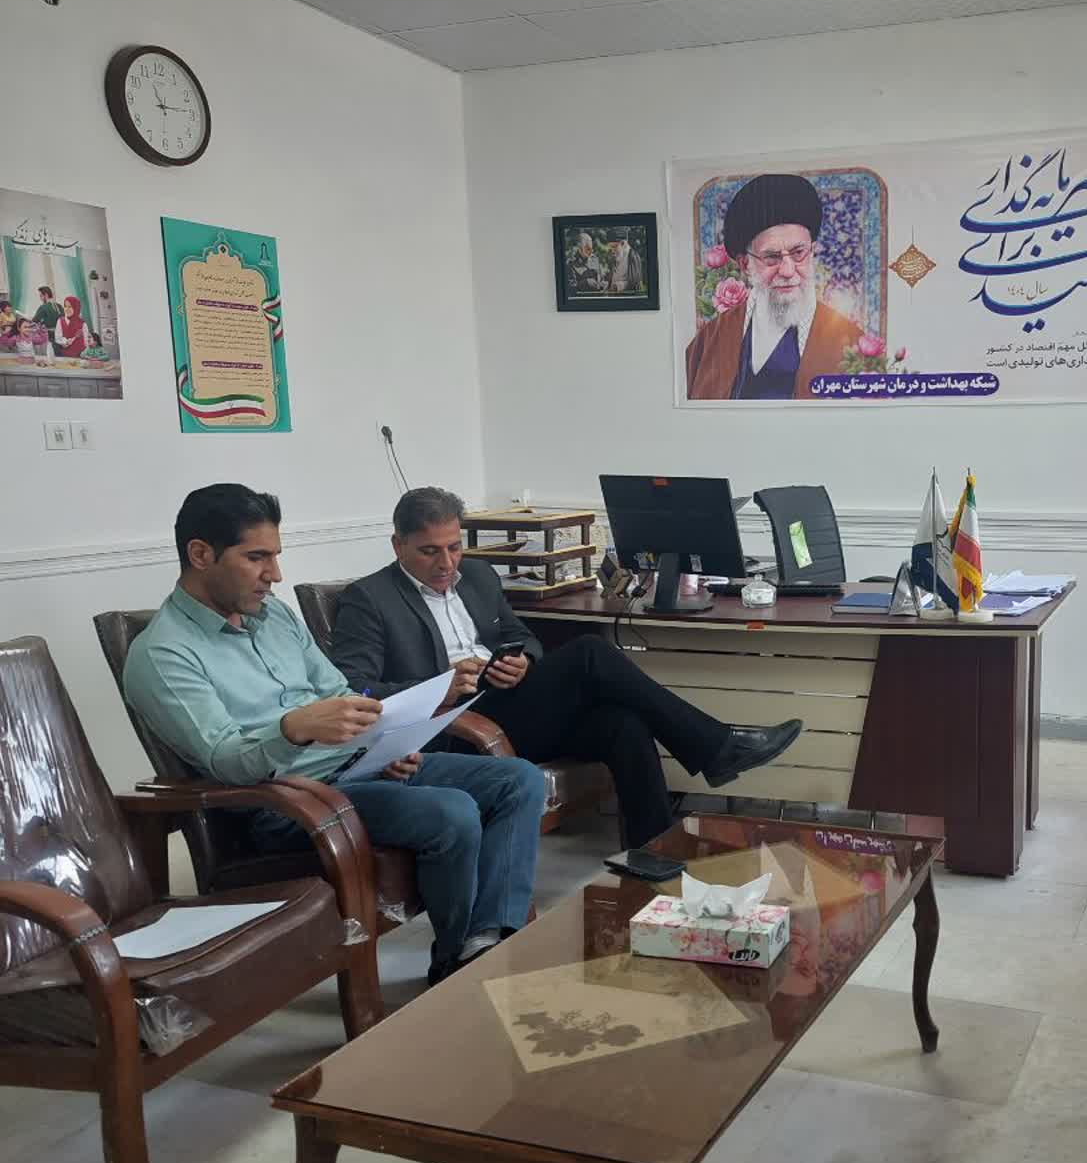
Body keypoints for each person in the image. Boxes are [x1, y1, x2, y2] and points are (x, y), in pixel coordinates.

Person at [123, 484, 547, 986]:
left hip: (359, 768)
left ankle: (487, 939)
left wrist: (387, 742)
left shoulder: (274, 616)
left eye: (275, 556)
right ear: (200, 554)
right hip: (288, 802)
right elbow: (223, 759)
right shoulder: (163, 654)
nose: (275, 574)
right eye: (257, 558)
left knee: (518, 780)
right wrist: (293, 729)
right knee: (451, 811)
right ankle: (457, 965)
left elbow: (340, 692)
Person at [328, 487, 804, 847]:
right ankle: (716, 746)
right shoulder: (368, 599)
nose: (447, 562)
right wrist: (442, 686)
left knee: (622, 722)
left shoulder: (477, 575)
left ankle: (652, 854)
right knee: (590, 653)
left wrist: (523, 661)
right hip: (451, 727)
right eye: (430, 551)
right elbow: (356, 691)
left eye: (454, 547)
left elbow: (522, 636)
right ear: (398, 545)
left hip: (508, 701)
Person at [683, 172, 865, 399]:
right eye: (771, 257)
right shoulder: (709, 342)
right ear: (745, 264)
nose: (788, 271)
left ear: (812, 251)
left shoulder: (853, 344)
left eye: (798, 253)